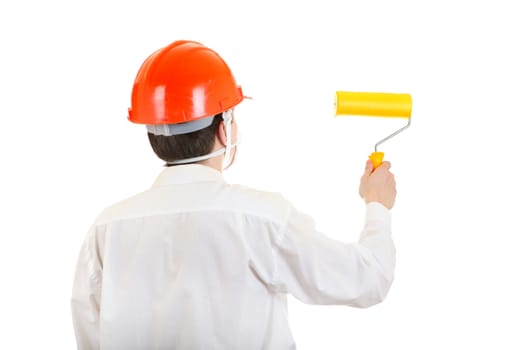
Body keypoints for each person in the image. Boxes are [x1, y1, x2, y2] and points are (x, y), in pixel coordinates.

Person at [71, 40, 397, 350]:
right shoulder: (261, 219)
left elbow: (90, 335)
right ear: (224, 129)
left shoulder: (106, 229)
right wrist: (377, 204)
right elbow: (368, 279)